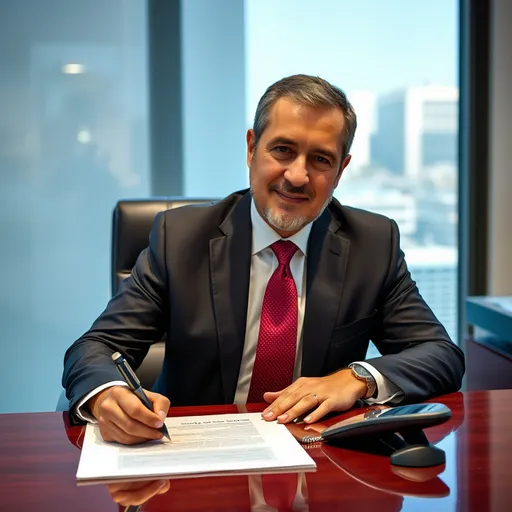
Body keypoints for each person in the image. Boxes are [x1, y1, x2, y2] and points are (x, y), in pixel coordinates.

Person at [62, 74, 465, 445]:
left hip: (318, 455)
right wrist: (107, 396)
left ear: (341, 170)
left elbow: (440, 354)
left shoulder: (372, 244)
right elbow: (97, 347)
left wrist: (356, 377)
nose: (297, 175)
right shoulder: (180, 238)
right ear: (252, 147)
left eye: (321, 159)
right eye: (283, 150)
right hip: (196, 455)